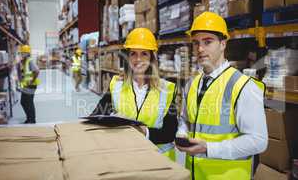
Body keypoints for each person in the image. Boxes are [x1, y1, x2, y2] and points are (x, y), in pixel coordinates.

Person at [175, 12, 268, 180]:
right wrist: (182, 134)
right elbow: (185, 120)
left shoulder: (243, 86)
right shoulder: (191, 84)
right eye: (195, 43)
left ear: (223, 44)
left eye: (207, 42)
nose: (200, 49)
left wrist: (209, 148)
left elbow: (258, 141)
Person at [91, 28, 178, 161]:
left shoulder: (166, 89)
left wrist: (145, 132)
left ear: (151, 58)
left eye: (144, 54)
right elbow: (96, 117)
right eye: (133, 54)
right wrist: (113, 119)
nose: (138, 59)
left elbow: (170, 133)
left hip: (158, 161)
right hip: (127, 157)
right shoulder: (116, 85)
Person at [17, 45, 40, 124]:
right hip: (26, 85)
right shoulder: (24, 61)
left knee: (28, 102)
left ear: (27, 53)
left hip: (31, 85)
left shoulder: (30, 61)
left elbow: (37, 71)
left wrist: (32, 80)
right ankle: (29, 118)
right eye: (21, 52)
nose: (21, 54)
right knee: (24, 102)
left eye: (23, 52)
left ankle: (32, 120)